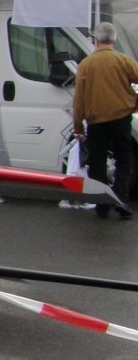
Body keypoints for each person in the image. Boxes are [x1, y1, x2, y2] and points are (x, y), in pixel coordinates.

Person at [71, 21, 138, 219]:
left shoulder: (86, 65)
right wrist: (134, 105)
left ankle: (102, 203)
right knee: (124, 159)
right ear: (114, 40)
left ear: (95, 40)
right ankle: (121, 199)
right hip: (121, 118)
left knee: (97, 162)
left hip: (96, 122)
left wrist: (78, 127)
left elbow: (79, 100)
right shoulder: (124, 61)